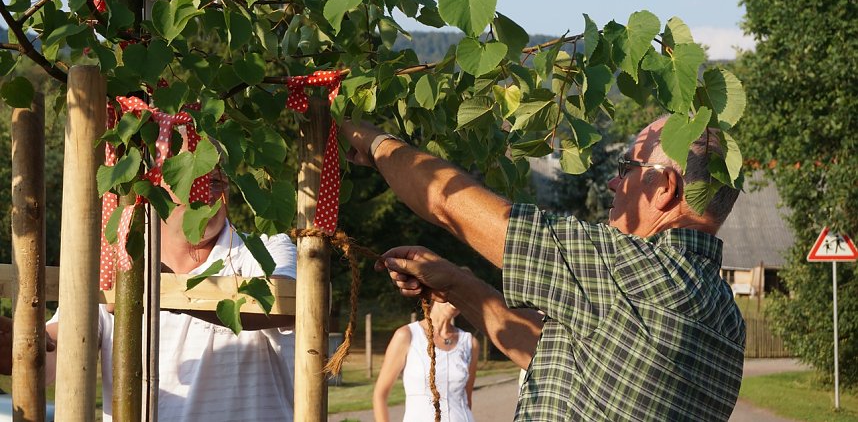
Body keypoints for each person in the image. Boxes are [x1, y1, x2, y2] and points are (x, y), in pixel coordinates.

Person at [341, 117, 746, 421]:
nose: (612, 184)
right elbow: (553, 352)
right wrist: (456, 282)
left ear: (664, 188)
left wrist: (374, 142)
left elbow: (451, 204)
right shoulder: (725, 315)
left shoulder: (628, 270)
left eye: (627, 169)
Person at [3, 162, 298, 422]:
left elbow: (284, 304)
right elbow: (53, 354)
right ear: (153, 190)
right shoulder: (116, 267)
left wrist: (165, 292)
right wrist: (18, 346)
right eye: (191, 181)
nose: (207, 195)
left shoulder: (264, 250)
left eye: (216, 182)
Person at [373, 299, 479, 422]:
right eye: (450, 290)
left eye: (461, 294)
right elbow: (380, 395)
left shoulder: (470, 343)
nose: (456, 298)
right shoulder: (407, 335)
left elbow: (467, 400)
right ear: (434, 292)